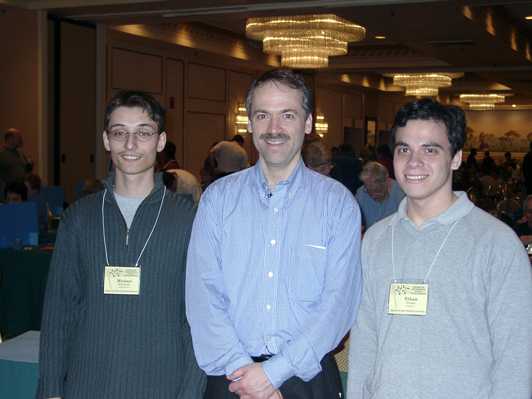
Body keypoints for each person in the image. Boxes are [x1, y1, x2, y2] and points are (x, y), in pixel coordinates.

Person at [186, 69, 362, 399]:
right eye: (263, 115)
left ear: (307, 124)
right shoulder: (217, 200)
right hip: (231, 378)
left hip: (307, 378)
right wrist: (245, 373)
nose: (274, 129)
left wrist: (273, 374)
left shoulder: (338, 204)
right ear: (249, 123)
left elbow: (339, 304)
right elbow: (203, 296)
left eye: (288, 115)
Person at [347, 98, 532, 399]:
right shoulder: (376, 240)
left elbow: (515, 360)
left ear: (456, 157)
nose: (413, 162)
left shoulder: (496, 243)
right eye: (404, 149)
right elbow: (365, 342)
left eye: (430, 149)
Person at [37, 91, 205, 399]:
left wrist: (191, 393)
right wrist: (50, 390)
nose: (130, 145)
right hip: (86, 386)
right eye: (119, 133)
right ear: (106, 140)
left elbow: (198, 322)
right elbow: (58, 314)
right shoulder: (79, 217)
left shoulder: (190, 221)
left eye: (143, 133)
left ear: (160, 141)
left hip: (162, 386)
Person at [355, 161, 404, 229]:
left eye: (376, 191)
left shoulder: (401, 194)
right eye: (368, 190)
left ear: (387, 182)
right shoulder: (360, 194)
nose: (372, 195)